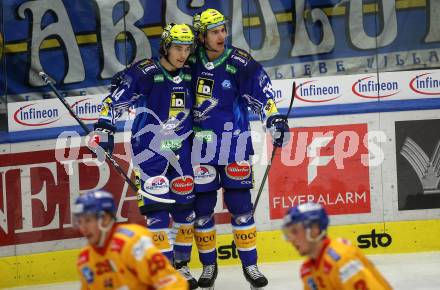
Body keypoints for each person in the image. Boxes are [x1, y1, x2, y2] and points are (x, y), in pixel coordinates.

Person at [90, 23, 198, 288]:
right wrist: (105, 126)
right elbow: (113, 100)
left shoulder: (190, 73)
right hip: (149, 151)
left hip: (183, 150)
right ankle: (163, 271)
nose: (182, 54)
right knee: (157, 213)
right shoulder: (145, 72)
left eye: (187, 48)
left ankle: (180, 266)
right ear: (165, 46)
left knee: (185, 212)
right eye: (177, 48)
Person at [189, 8, 290, 289]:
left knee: (242, 209)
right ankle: (209, 268)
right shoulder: (188, 61)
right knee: (202, 212)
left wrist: (274, 120)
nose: (222, 35)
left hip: (235, 146)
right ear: (201, 36)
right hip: (200, 149)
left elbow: (263, 92)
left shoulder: (239, 61)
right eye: (214, 31)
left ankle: (251, 266)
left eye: (223, 29)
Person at [74, 190, 188, 290]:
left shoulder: (132, 242)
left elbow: (173, 282)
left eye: (88, 220)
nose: (83, 228)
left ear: (105, 218)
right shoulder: (85, 260)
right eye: (80, 222)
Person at [282, 202, 392, 290]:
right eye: (289, 233)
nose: (290, 239)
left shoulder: (342, 260)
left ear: (314, 230)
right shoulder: (307, 270)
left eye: (295, 231)